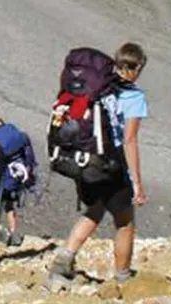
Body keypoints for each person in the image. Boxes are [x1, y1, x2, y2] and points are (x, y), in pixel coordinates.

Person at [50, 42, 149, 285]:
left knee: (94, 210)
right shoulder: (134, 96)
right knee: (125, 221)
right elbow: (130, 140)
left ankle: (65, 258)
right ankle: (123, 278)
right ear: (136, 67)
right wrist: (137, 183)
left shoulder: (97, 88)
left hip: (84, 159)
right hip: (110, 163)